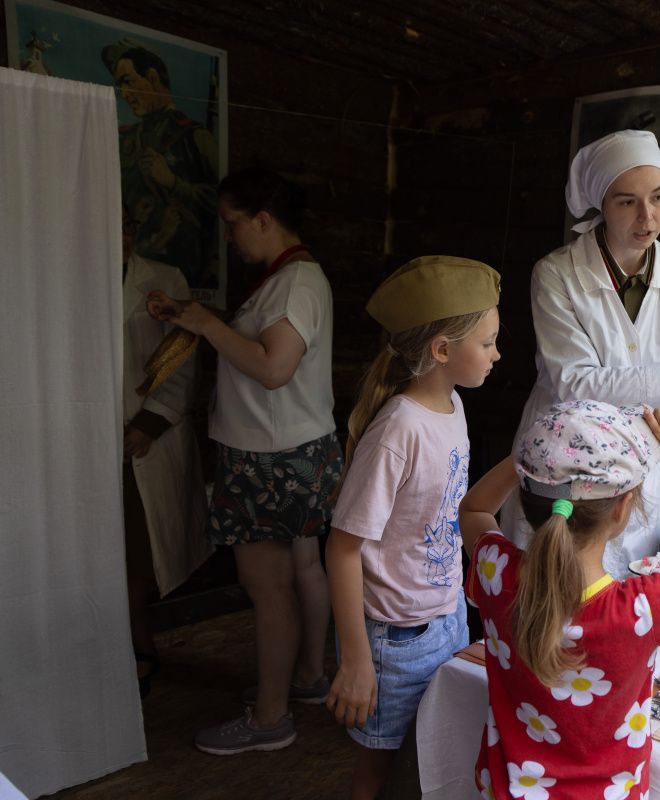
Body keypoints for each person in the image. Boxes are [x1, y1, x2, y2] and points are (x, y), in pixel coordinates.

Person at [460, 401, 660, 799]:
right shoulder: (647, 604)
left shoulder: (496, 572)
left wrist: (533, 457)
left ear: (525, 495)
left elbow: (474, 507)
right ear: (623, 508)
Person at [149, 168, 342, 754]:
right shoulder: (288, 279)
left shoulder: (295, 284)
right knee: (293, 577)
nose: (230, 237)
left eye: (234, 224)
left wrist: (207, 324)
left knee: (269, 589)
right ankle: (304, 679)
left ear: (264, 220)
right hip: (286, 452)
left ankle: (269, 718)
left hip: (270, 459)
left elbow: (272, 368)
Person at [503, 129, 660, 575]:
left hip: (635, 467)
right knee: (546, 597)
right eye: (627, 202)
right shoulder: (557, 274)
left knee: (624, 604)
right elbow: (574, 383)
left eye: (658, 197)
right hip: (562, 465)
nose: (648, 216)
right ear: (602, 204)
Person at [323, 256, 501, 800]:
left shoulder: (452, 406)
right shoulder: (397, 430)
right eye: (488, 342)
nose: (498, 354)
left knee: (433, 759)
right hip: (392, 643)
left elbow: (451, 508)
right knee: (380, 774)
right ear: (443, 351)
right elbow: (342, 549)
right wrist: (356, 661)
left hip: (446, 618)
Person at [121, 207, 211, 697]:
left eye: (128, 225)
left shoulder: (162, 279)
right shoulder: (67, 277)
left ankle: (139, 647)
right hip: (87, 440)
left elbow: (181, 360)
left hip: (141, 440)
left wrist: (150, 422)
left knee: (139, 554)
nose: (122, 237)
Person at [102, 38, 219, 289]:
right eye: (121, 85)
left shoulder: (194, 138)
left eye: (128, 81)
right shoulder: (125, 138)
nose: (124, 94)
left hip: (175, 277)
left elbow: (221, 203)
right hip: (123, 277)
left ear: (153, 78)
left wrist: (174, 183)